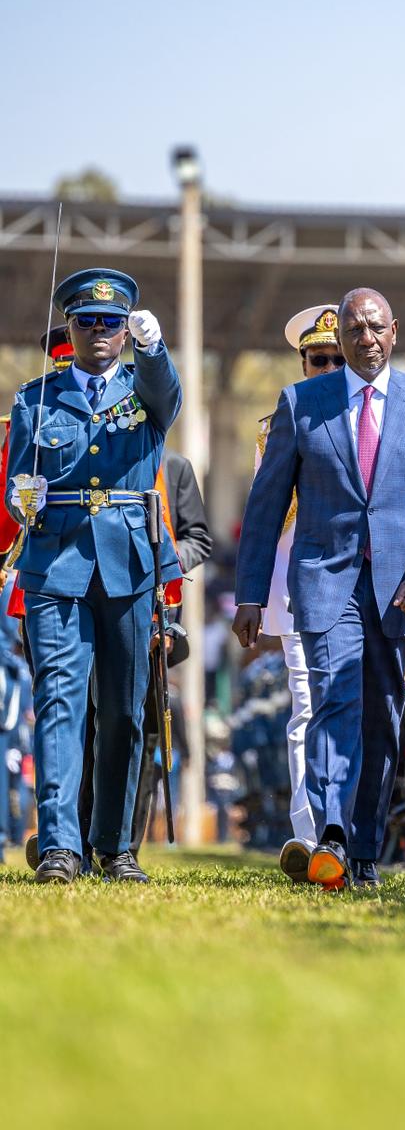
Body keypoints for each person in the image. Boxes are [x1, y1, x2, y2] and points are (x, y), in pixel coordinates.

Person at [233, 287, 405, 890]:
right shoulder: (300, 403)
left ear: (394, 332)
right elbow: (265, 507)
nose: (365, 338)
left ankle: (363, 850)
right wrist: (251, 594)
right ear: (339, 338)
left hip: (401, 589)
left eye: (375, 327)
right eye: (353, 329)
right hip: (324, 580)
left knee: (383, 717)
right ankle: (331, 835)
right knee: (335, 698)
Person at [6, 267, 181, 883]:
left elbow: (169, 400)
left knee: (126, 711)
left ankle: (114, 845)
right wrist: (22, 497)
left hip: (129, 563)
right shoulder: (35, 398)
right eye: (89, 321)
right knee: (58, 702)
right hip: (56, 563)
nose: (101, 331)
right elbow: (15, 489)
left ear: (126, 329)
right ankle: (59, 845)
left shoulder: (145, 387)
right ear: (71, 327)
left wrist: (154, 347)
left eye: (113, 321)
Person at [253, 304, 345, 883]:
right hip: (298, 580)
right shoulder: (276, 425)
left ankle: (349, 833)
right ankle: (309, 835)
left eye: (340, 358)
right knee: (306, 711)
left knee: (354, 710)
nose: (331, 367)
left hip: (358, 583)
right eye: (319, 359)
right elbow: (267, 514)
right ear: (301, 363)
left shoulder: (377, 418)